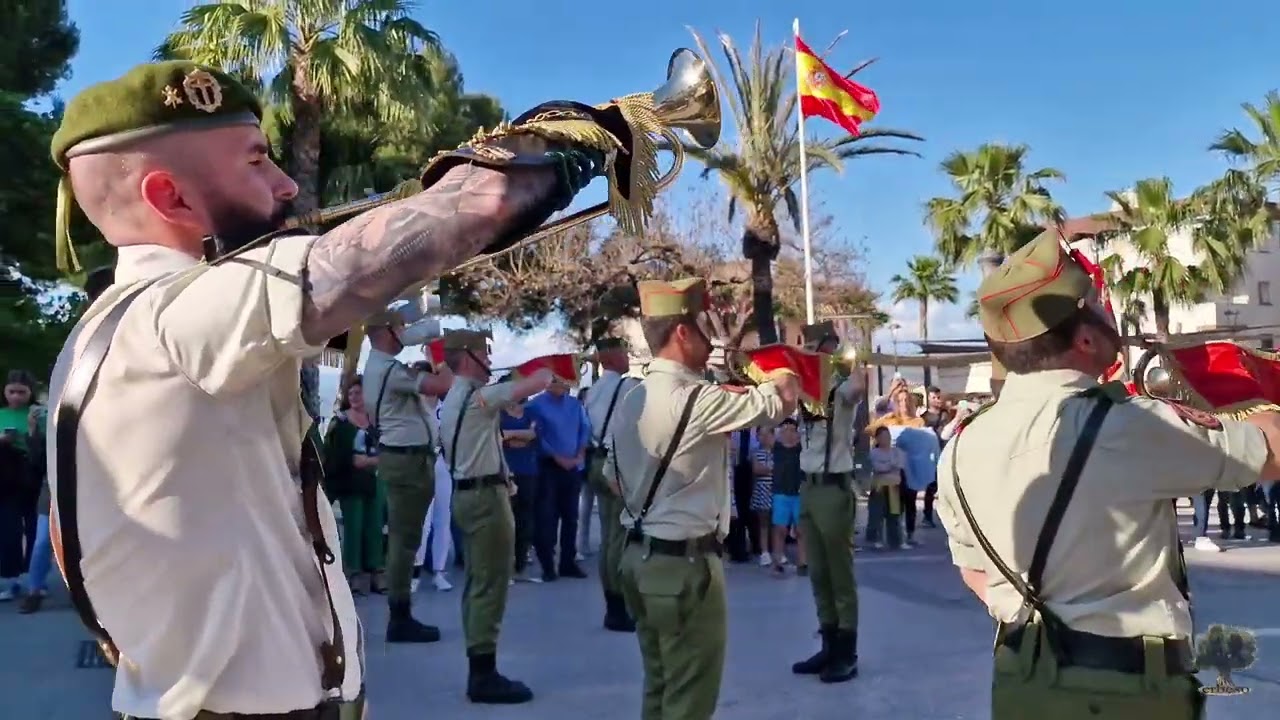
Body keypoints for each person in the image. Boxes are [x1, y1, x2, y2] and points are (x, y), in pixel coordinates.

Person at [45, 59, 605, 719]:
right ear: (172, 198)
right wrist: (560, 147)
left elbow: (66, 538)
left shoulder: (105, 332)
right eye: (257, 163)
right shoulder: (175, 314)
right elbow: (373, 260)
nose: (285, 185)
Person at [936, 230, 1280, 719]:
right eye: (1098, 301)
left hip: (1021, 683)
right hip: (1125, 692)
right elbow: (1269, 452)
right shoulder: (1127, 424)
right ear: (1083, 335)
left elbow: (975, 573)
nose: (1109, 310)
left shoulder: (961, 444)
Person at [608, 278, 798, 720]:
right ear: (682, 332)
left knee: (660, 685)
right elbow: (781, 401)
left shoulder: (630, 398)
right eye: (703, 325)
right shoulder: (693, 398)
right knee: (690, 699)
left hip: (638, 557)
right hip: (683, 568)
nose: (711, 336)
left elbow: (611, 479)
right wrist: (783, 364)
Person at [438, 329, 555, 704]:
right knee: (491, 584)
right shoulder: (475, 396)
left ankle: (480, 664)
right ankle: (483, 675)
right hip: (485, 497)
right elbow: (531, 385)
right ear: (469, 356)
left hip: (471, 493)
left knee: (478, 583)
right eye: (485, 353)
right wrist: (548, 370)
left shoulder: (459, 396)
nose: (490, 359)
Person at [363, 314, 453, 641]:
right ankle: (399, 617)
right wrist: (442, 354)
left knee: (406, 539)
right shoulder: (389, 369)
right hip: (408, 461)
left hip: (405, 458)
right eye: (400, 327)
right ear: (388, 331)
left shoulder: (382, 367)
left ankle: (401, 613)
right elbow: (443, 385)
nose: (404, 333)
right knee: (405, 542)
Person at [791, 321, 865, 684]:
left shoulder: (843, 387)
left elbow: (859, 389)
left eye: (813, 347)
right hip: (808, 485)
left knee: (839, 573)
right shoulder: (805, 392)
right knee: (818, 572)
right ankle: (829, 642)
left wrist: (851, 360)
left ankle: (846, 653)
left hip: (834, 488)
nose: (807, 352)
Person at [582, 337, 639, 630]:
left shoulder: (592, 391)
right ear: (613, 357)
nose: (628, 357)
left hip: (595, 461)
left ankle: (611, 603)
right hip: (616, 463)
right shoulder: (628, 388)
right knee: (620, 536)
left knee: (607, 536)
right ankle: (618, 606)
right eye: (624, 352)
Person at [322, 376, 387, 595]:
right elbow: (332, 453)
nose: (354, 397)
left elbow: (388, 450)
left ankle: (377, 570)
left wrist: (371, 461)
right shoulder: (340, 422)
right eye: (351, 394)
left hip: (376, 481)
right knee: (354, 526)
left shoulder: (378, 420)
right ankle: (355, 573)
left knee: (375, 525)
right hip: (350, 481)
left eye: (358, 392)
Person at [526, 376, 590, 580]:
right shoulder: (535, 405)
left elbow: (585, 429)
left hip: (573, 466)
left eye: (562, 381)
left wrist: (580, 455)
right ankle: (547, 565)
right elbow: (537, 436)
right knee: (547, 517)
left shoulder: (575, 405)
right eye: (554, 380)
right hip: (547, 467)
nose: (559, 385)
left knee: (571, 517)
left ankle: (568, 563)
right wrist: (555, 456)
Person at [499, 386, 541, 582]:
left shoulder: (531, 412)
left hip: (528, 471)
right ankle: (505, 565)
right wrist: (520, 435)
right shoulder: (498, 414)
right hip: (506, 471)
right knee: (507, 520)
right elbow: (500, 436)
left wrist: (512, 435)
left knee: (526, 518)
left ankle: (520, 563)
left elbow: (533, 435)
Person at [769, 418, 804, 575]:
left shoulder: (802, 448)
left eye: (792, 430)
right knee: (780, 529)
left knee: (801, 530)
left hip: (799, 493)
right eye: (785, 430)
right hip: (780, 493)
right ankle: (777, 562)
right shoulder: (776, 447)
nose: (788, 433)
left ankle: (803, 563)